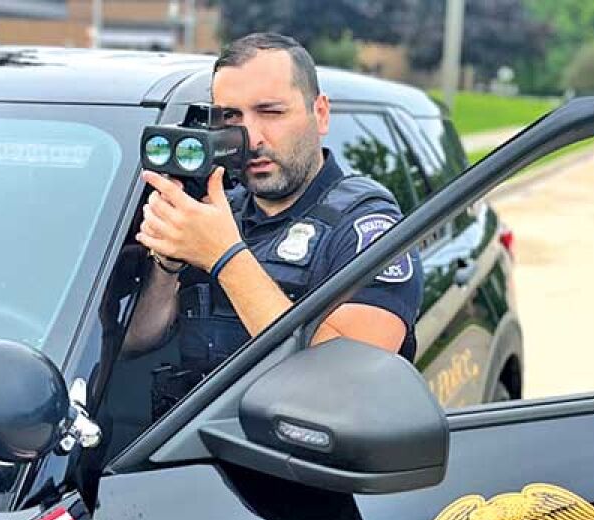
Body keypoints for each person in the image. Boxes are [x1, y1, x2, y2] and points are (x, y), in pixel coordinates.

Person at [122, 32, 424, 417]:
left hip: (296, 462)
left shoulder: (367, 227)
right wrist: (168, 263)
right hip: (187, 452)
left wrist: (223, 256)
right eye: (232, 117)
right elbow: (137, 340)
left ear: (321, 114)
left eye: (271, 112)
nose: (252, 138)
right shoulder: (212, 213)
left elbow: (351, 385)